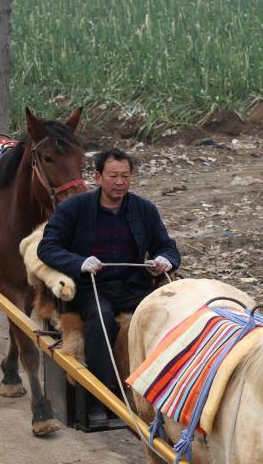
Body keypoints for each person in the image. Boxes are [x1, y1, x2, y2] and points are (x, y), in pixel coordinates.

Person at [38, 149, 180, 423]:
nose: (119, 182)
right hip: (90, 288)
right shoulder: (74, 209)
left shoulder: (144, 210)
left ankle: (162, 389)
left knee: (165, 316)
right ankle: (101, 395)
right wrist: (79, 262)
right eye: (113, 175)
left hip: (133, 286)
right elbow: (47, 247)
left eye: (125, 176)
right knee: (102, 318)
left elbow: (167, 247)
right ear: (98, 177)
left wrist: (165, 260)